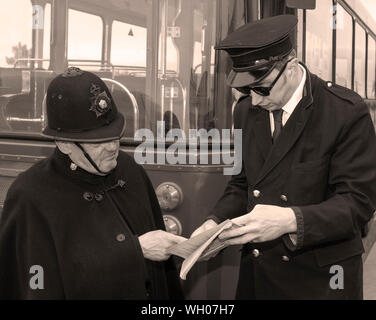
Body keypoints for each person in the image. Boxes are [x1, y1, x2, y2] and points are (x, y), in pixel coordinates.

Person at [191, 15, 376, 299]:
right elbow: (241, 183)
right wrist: (214, 222)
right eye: (245, 90)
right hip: (259, 276)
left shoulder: (345, 112)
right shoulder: (244, 113)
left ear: (290, 67)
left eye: (262, 88)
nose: (254, 100)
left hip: (321, 280)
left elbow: (358, 203)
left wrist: (290, 220)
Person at [0, 67, 185, 299]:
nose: (112, 147)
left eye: (115, 136)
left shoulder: (130, 170)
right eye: (98, 142)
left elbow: (164, 279)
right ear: (64, 144)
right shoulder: (30, 195)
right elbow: (37, 280)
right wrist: (134, 252)